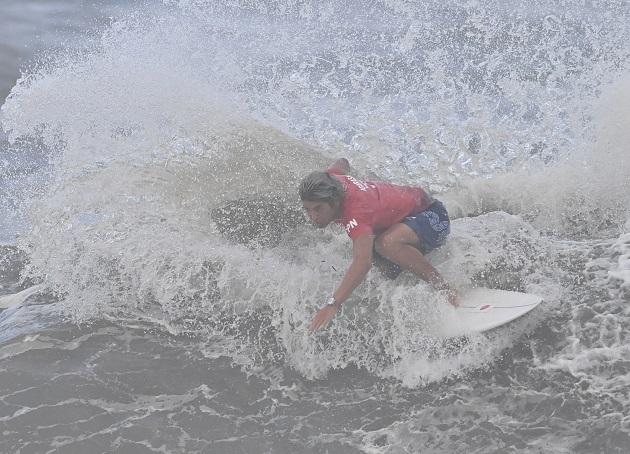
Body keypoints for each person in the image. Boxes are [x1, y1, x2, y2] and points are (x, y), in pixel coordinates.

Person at [299, 158, 458, 332]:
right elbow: (342, 162)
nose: (312, 216)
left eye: (318, 209)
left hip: (433, 215)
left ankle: (446, 290)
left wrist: (333, 304)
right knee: (385, 270)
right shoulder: (331, 179)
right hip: (402, 220)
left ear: (335, 202)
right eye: (307, 209)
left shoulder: (356, 212)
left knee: (386, 244)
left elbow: (362, 262)